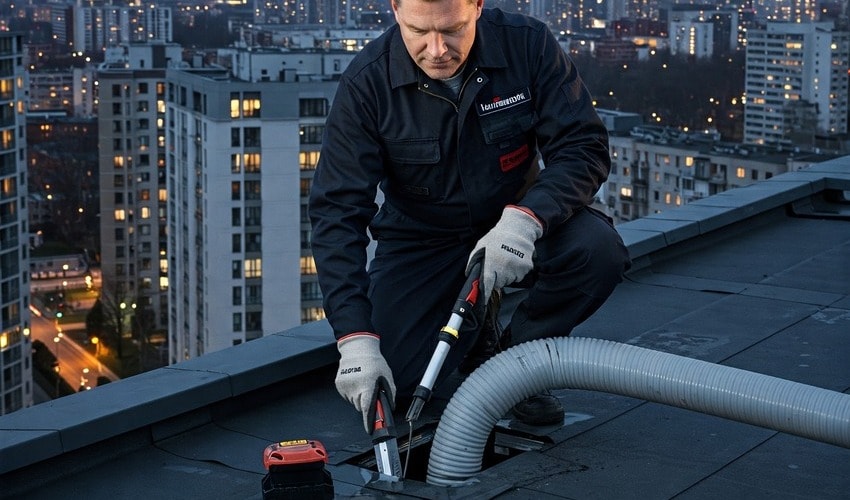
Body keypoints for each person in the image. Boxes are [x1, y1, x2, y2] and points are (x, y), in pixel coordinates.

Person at [308, 0, 631, 433]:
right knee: (398, 383)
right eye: (419, 31)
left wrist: (526, 219)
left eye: (453, 29)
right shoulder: (368, 84)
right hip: (424, 240)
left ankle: (520, 362)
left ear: (477, 6)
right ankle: (477, 333)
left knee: (597, 252)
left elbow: (583, 148)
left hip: (519, 226)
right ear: (395, 10)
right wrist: (355, 340)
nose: (437, 49)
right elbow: (337, 214)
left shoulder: (528, 46)